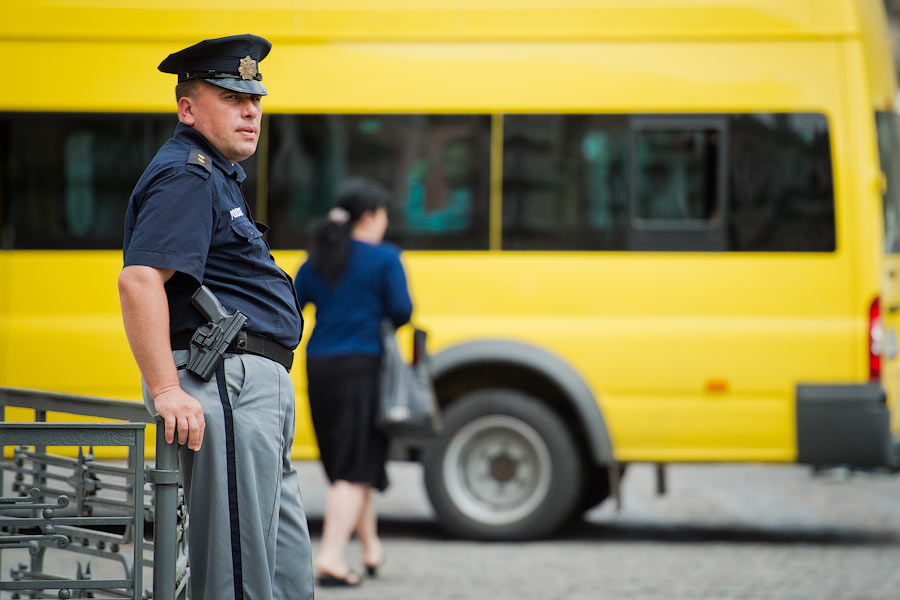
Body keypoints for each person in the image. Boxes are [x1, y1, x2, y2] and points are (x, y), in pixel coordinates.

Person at [118, 34, 314, 600]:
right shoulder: (189, 173)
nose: (250, 110)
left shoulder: (215, 173)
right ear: (188, 108)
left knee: (281, 574)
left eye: (254, 100)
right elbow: (139, 280)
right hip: (225, 381)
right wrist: (164, 389)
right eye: (231, 97)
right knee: (237, 577)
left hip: (252, 389)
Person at [295, 177, 413, 587]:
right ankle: (329, 556)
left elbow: (295, 303)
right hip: (362, 367)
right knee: (355, 465)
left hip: (320, 366)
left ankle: (370, 547)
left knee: (347, 459)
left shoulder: (317, 259)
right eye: (382, 214)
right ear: (369, 217)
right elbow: (402, 311)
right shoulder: (385, 259)